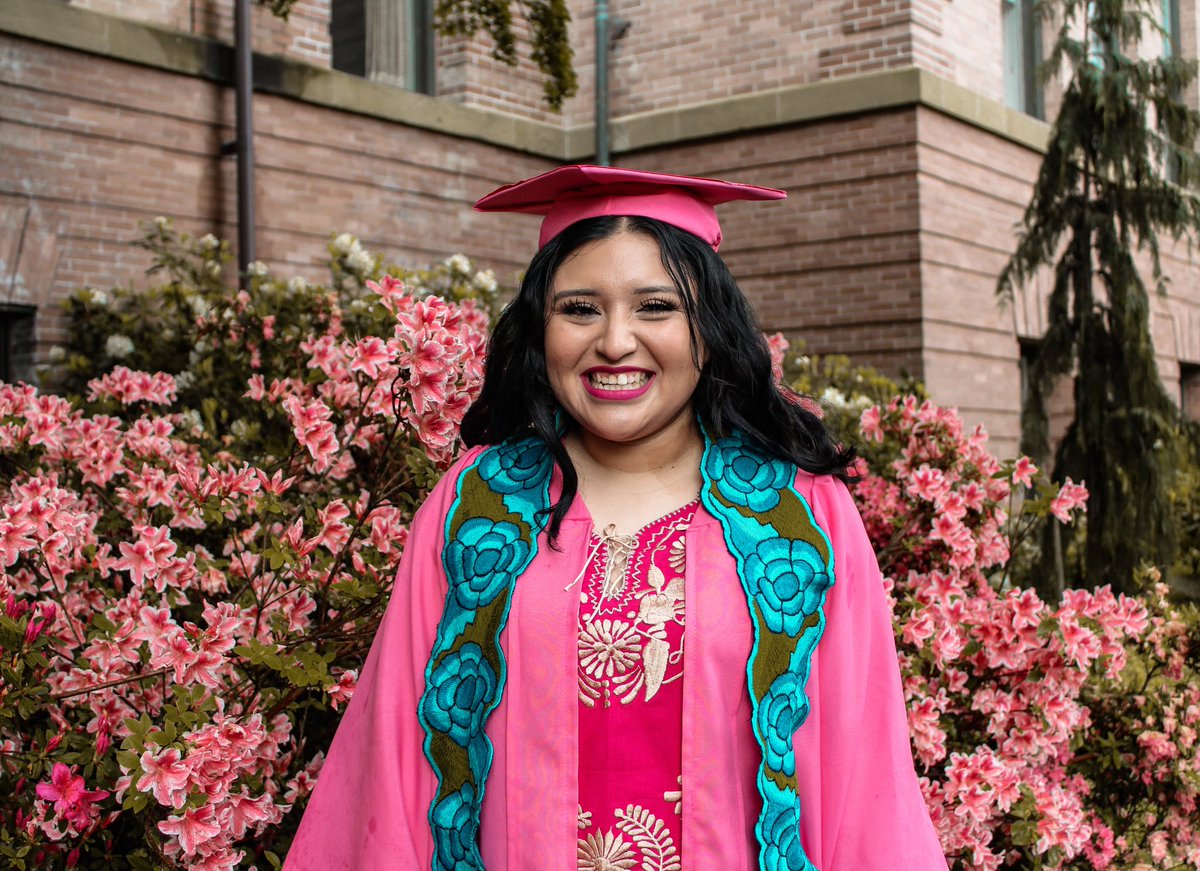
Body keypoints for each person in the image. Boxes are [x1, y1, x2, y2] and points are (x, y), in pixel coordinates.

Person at [284, 165, 947, 870]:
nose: (615, 342)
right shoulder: (475, 505)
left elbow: (864, 773)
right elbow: (394, 766)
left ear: (709, 327)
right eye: (579, 308)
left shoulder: (799, 515)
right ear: (542, 329)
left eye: (656, 306)